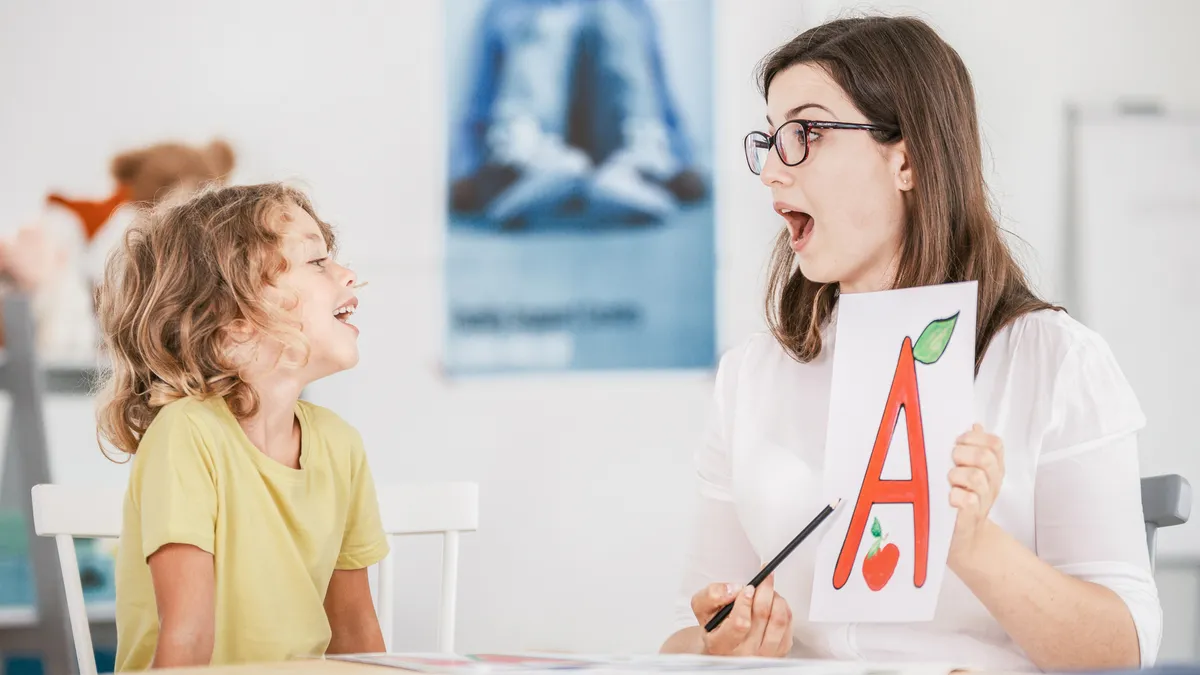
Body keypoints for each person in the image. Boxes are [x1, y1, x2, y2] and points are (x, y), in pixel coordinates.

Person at [662, 16, 1158, 672]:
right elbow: (681, 639)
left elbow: (1123, 650)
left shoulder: (1055, 362)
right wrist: (719, 641)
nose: (772, 174)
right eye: (772, 140)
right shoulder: (753, 376)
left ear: (907, 159)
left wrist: (978, 547)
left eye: (805, 134)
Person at [95, 183, 389, 669]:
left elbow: (356, 631)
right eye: (316, 261)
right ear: (233, 320)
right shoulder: (187, 435)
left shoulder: (340, 444)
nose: (347, 275)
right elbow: (187, 640)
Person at [449, 0, 707, 228]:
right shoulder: (510, 7)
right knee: (544, 24)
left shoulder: (630, 7)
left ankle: (640, 166)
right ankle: (520, 168)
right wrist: (466, 169)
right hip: (542, 149)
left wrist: (683, 160)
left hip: (611, 147)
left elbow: (657, 90)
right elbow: (482, 96)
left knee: (614, 17)